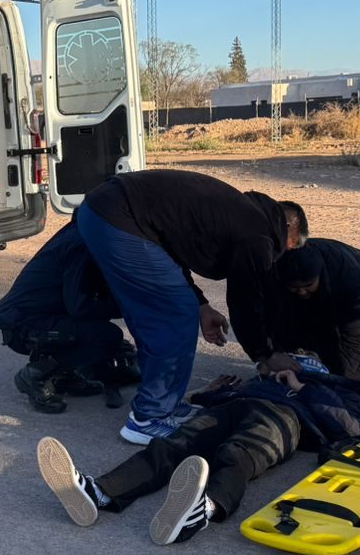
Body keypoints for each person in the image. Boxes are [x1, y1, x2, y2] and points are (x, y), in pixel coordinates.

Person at [36, 353, 360, 544]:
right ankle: (99, 492)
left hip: (287, 418)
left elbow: (353, 428)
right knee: (172, 445)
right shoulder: (254, 383)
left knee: (237, 454)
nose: (274, 370)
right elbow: (207, 401)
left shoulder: (324, 387)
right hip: (232, 407)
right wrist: (209, 393)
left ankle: (203, 510)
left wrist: (302, 387)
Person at [74, 170, 304, 445]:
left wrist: (202, 304)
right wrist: (265, 354)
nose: (285, 256)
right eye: (292, 247)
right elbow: (246, 301)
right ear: (289, 228)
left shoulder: (237, 213)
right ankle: (148, 418)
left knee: (163, 312)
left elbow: (171, 247)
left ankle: (166, 404)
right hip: (118, 217)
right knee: (174, 313)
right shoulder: (257, 234)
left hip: (106, 212)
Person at [0, 220, 135, 413]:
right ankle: (35, 375)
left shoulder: (80, 231)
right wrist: (128, 308)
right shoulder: (81, 245)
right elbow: (80, 307)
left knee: (96, 328)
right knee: (107, 336)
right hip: (23, 325)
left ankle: (64, 376)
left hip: (32, 317)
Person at [274, 238, 360, 380]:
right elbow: (266, 322)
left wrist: (342, 377)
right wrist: (272, 356)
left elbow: (355, 334)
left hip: (358, 287)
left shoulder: (348, 277)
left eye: (308, 285)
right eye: (295, 287)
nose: (302, 291)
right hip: (301, 302)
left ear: (319, 275)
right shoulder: (273, 273)